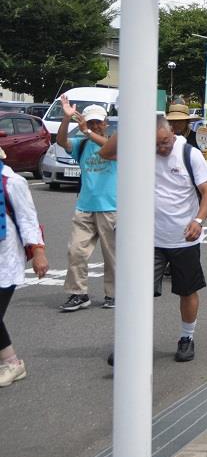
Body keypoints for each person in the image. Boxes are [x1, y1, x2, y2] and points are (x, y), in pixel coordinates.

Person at [138, 116, 207, 362]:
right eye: (156, 145)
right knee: (138, 292)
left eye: (164, 142)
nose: (162, 148)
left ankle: (186, 338)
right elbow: (108, 153)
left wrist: (198, 220)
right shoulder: (142, 152)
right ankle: (132, 342)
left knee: (187, 290)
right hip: (151, 239)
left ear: (171, 131)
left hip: (184, 238)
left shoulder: (189, 154)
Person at [56, 96, 117, 311]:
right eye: (90, 122)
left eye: (97, 122)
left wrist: (87, 132)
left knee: (113, 256)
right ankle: (78, 293)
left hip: (111, 207)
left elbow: (111, 148)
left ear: (105, 123)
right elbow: (61, 142)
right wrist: (66, 119)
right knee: (76, 251)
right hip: (85, 206)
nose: (94, 126)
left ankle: (114, 294)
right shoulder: (82, 145)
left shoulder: (113, 144)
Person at [0, 145, 49, 387]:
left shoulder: (12, 181)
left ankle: (13, 364)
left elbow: (28, 219)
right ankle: (11, 362)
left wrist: (39, 253)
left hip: (5, 259)